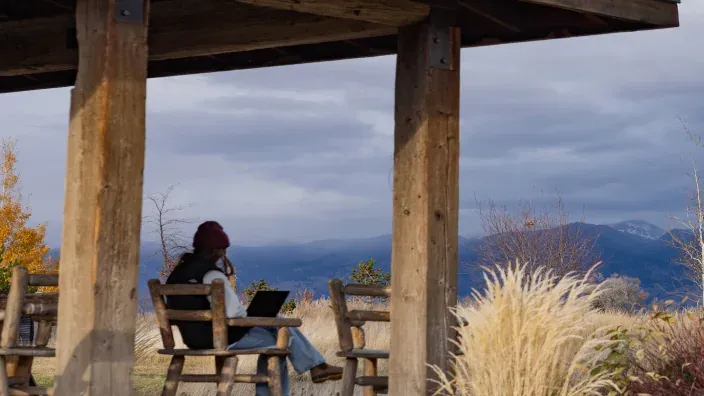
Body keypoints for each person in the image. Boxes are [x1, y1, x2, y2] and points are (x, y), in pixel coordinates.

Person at [165, 221, 342, 395]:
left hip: (192, 338)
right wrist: (253, 316)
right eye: (222, 250)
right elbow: (236, 314)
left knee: (278, 324)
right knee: (281, 342)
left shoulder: (177, 273)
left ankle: (318, 366)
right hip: (219, 338)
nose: (222, 255)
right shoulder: (211, 275)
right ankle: (315, 367)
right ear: (216, 250)